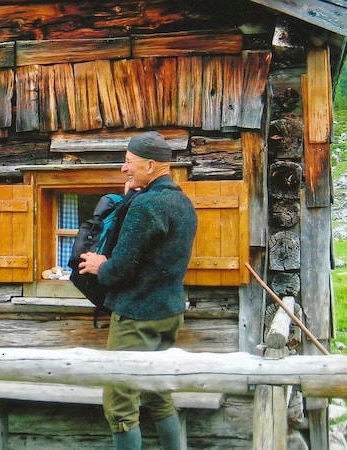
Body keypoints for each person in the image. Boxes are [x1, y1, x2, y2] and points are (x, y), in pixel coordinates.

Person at [78, 131, 197, 450]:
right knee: (158, 395)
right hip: (169, 314)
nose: (123, 169)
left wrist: (98, 265)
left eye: (128, 162)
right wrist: (132, 197)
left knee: (120, 404)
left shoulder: (146, 207)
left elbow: (119, 270)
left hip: (137, 318)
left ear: (150, 164)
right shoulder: (182, 202)